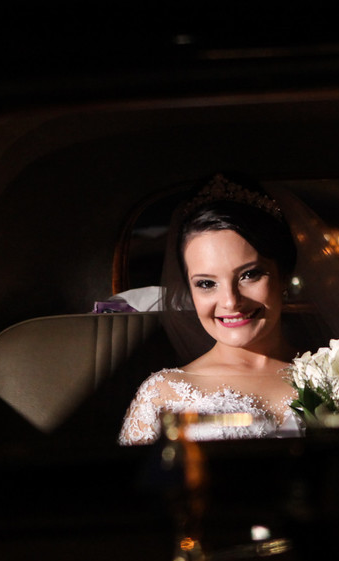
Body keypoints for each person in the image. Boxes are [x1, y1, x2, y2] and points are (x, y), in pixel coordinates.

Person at [119, 174, 303, 445]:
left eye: (249, 275)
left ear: (283, 276)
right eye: (206, 283)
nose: (230, 301)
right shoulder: (162, 394)